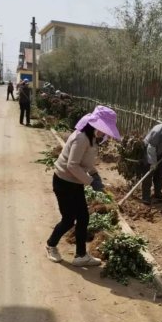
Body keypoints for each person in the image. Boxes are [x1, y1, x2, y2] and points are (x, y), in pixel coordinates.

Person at [46, 105, 121, 266]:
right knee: (68, 220)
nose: (104, 133)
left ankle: (80, 255)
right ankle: (51, 245)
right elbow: (72, 165)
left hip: (75, 183)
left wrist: (95, 175)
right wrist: (91, 181)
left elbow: (85, 163)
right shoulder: (81, 138)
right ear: (95, 124)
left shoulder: (92, 138)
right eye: (103, 128)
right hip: (64, 182)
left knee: (83, 217)